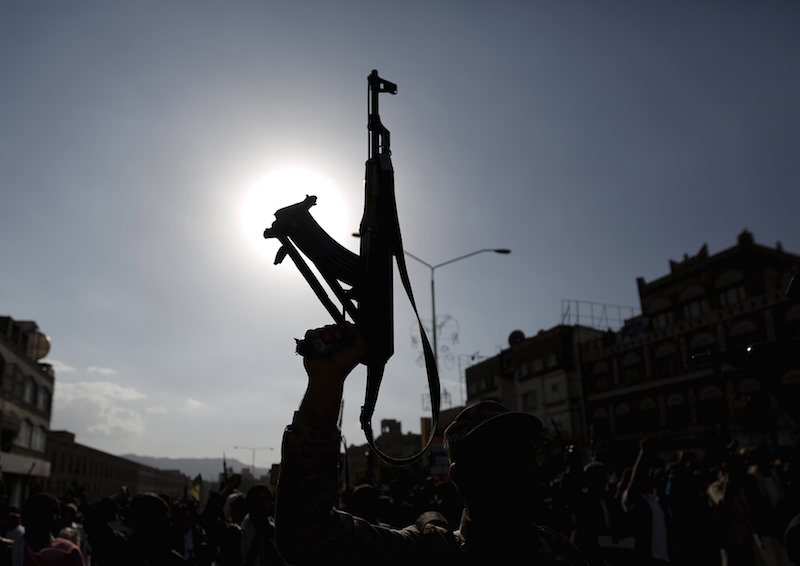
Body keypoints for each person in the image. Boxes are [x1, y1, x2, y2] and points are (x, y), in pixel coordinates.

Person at [275, 322, 589, 565]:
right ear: (459, 477)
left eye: (519, 452)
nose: (512, 469)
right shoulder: (429, 554)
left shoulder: (560, 550)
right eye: (492, 459)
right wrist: (326, 381)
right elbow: (305, 534)